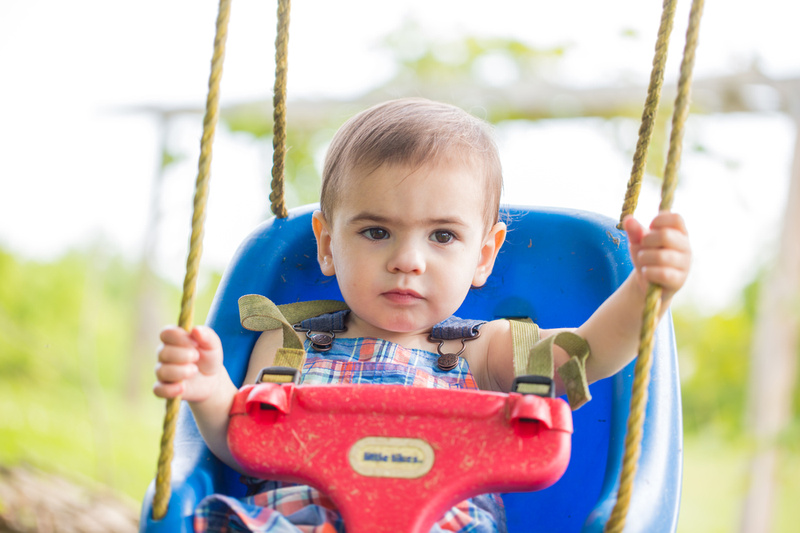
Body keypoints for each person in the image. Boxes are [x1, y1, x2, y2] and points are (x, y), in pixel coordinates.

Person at [154, 98, 691, 532]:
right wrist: (209, 390)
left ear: (483, 254)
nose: (407, 260)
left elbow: (587, 355)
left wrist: (645, 292)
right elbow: (243, 446)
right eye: (376, 231)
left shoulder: (485, 351)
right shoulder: (288, 345)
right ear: (327, 244)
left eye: (442, 236)